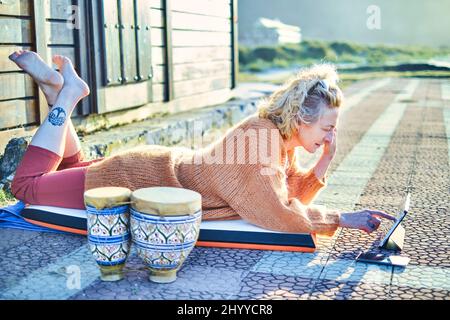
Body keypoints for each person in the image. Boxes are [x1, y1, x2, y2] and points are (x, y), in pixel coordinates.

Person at [9, 51, 395, 238]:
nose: (332, 137)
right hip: (130, 179)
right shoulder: (259, 141)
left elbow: (290, 194)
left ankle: (56, 89)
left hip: (148, 169)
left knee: (64, 167)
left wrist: (325, 162)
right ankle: (66, 96)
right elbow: (278, 213)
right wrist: (342, 218)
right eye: (328, 128)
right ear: (302, 119)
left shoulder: (276, 140)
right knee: (26, 188)